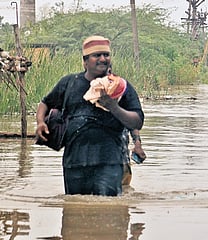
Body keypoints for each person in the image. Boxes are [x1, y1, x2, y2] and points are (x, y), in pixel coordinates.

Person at [35, 35, 144, 196]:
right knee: (74, 212)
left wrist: (114, 107)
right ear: (85, 61)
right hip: (74, 163)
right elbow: (45, 103)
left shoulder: (120, 87)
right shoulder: (69, 83)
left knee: (109, 211)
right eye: (96, 55)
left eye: (106, 55)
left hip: (109, 162)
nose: (102, 59)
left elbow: (137, 121)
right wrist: (40, 122)